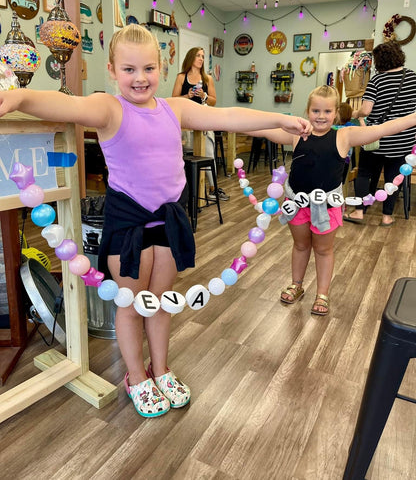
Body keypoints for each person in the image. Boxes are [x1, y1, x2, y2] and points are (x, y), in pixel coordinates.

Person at [0, 24, 313, 418]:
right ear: (113, 70)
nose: (140, 78)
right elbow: (63, 105)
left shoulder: (174, 108)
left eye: (148, 68)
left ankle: (160, 368)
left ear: (162, 68)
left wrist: (277, 119)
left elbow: (226, 116)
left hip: (168, 221)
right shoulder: (108, 108)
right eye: (129, 69)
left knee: (161, 302)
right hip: (128, 223)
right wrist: (18, 96)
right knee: (131, 305)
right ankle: (135, 376)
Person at [245, 85, 416, 316]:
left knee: (324, 250)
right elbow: (264, 130)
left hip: (328, 206)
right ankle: (296, 284)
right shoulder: (297, 135)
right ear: (307, 111)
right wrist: (227, 121)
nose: (321, 116)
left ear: (335, 113)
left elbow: (384, 129)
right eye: (316, 111)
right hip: (297, 204)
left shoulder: (345, 135)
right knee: (300, 245)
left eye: (327, 111)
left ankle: (322, 293)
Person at [345, 40, 416, 226]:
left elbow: (366, 110)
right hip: (403, 139)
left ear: (379, 61)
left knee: (365, 173)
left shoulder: (377, 80)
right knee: (394, 177)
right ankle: (387, 216)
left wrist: (354, 113)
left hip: (377, 137)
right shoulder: (413, 78)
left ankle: (359, 211)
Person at [172, 47, 229, 201]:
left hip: (203, 119)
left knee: (208, 152)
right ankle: (186, 189)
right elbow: (174, 99)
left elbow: (213, 101)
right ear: (191, 57)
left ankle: (213, 188)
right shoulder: (181, 77)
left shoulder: (207, 78)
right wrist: (187, 95)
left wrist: (204, 96)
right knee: (184, 154)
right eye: (198, 56)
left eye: (203, 56)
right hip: (185, 122)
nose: (201, 59)